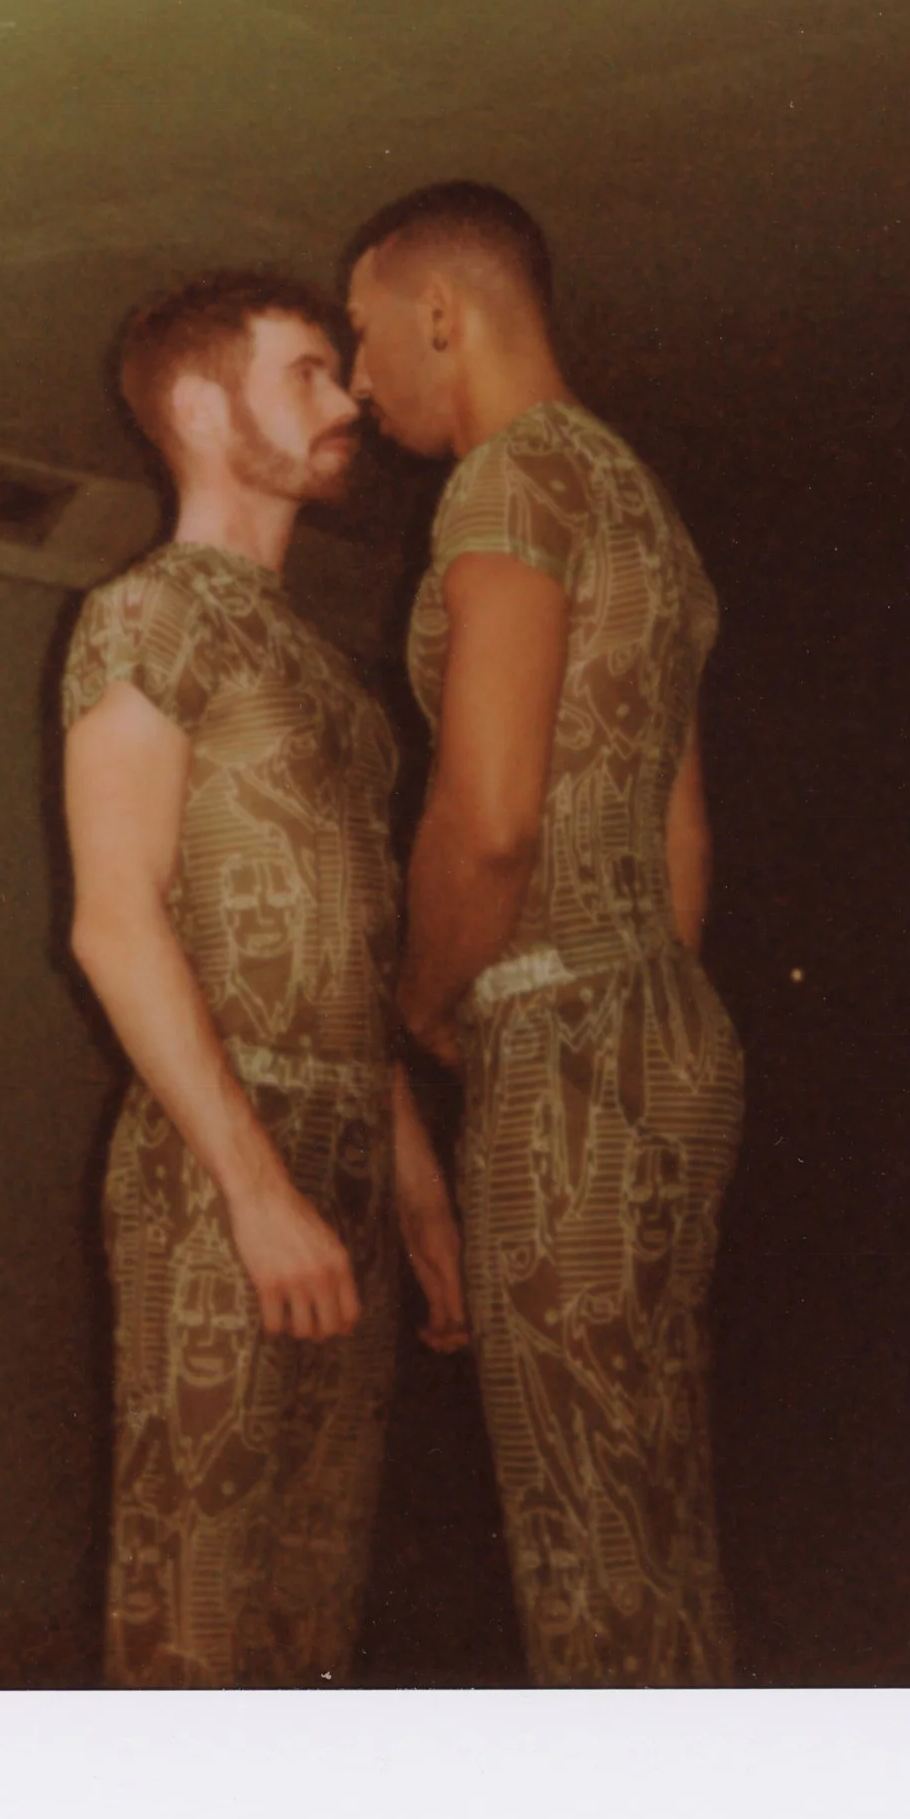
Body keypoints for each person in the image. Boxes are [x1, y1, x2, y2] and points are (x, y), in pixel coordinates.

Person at [341, 183, 745, 1686]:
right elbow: (678, 838)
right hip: (666, 1028)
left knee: (579, 1525)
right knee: (652, 1498)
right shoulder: (641, 498)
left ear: (441, 312)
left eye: (364, 335)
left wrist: (423, 1002)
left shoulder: (503, 486)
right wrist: (621, 1001)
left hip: (561, 1035)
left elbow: (490, 813)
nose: (360, 380)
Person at [62, 271, 467, 1688]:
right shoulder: (142, 616)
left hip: (345, 1154)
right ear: (195, 405)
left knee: (313, 1601)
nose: (350, 397)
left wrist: (409, 1172)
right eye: (305, 372)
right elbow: (115, 927)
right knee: (200, 1598)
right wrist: (254, 1187)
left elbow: (347, 942)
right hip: (217, 1169)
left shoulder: (315, 659)